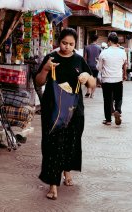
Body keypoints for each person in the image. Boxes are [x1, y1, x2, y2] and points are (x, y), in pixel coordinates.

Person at [35, 28, 95, 200]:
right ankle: (53, 184)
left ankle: (67, 171)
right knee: (53, 145)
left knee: (71, 141)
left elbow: (92, 83)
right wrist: (46, 69)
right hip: (53, 109)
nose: (67, 47)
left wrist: (87, 77)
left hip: (74, 110)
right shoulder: (51, 58)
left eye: (71, 44)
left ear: (75, 45)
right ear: (58, 41)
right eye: (64, 43)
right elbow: (39, 81)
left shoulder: (79, 60)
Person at [97, 32, 127, 126]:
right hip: (118, 78)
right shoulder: (122, 52)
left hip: (106, 80)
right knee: (118, 97)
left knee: (107, 99)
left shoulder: (104, 52)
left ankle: (108, 120)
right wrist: (124, 75)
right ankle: (117, 110)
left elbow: (99, 68)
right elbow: (124, 65)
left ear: (109, 41)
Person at [83, 34, 101, 98]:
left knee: (88, 79)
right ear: (96, 40)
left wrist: (84, 66)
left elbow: (85, 58)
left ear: (90, 39)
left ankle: (88, 91)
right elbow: (100, 58)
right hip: (96, 66)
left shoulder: (87, 47)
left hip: (89, 66)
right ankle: (92, 94)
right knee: (95, 79)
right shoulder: (99, 48)